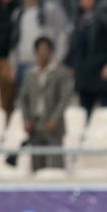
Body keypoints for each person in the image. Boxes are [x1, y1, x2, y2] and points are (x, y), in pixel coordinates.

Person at [20, 37, 73, 172]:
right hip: (35, 124)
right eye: (40, 50)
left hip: (53, 124)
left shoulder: (60, 72)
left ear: (51, 52)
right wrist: (26, 119)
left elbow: (64, 99)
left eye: (46, 50)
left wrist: (54, 119)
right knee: (37, 165)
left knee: (56, 165)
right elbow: (23, 99)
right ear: (36, 53)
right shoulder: (29, 74)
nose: (43, 53)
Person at [68, 0, 107, 117]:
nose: (87, 0)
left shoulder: (103, 20)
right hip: (83, 72)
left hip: (100, 70)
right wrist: (70, 65)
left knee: (106, 110)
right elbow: (72, 47)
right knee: (84, 111)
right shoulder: (76, 22)